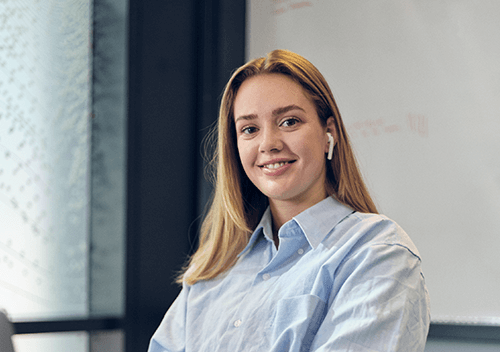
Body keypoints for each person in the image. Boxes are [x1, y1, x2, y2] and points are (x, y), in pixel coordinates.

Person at [148, 49, 430, 351]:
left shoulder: (376, 253)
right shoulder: (215, 266)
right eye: (250, 129)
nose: (268, 143)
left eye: (289, 122)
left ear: (328, 134)